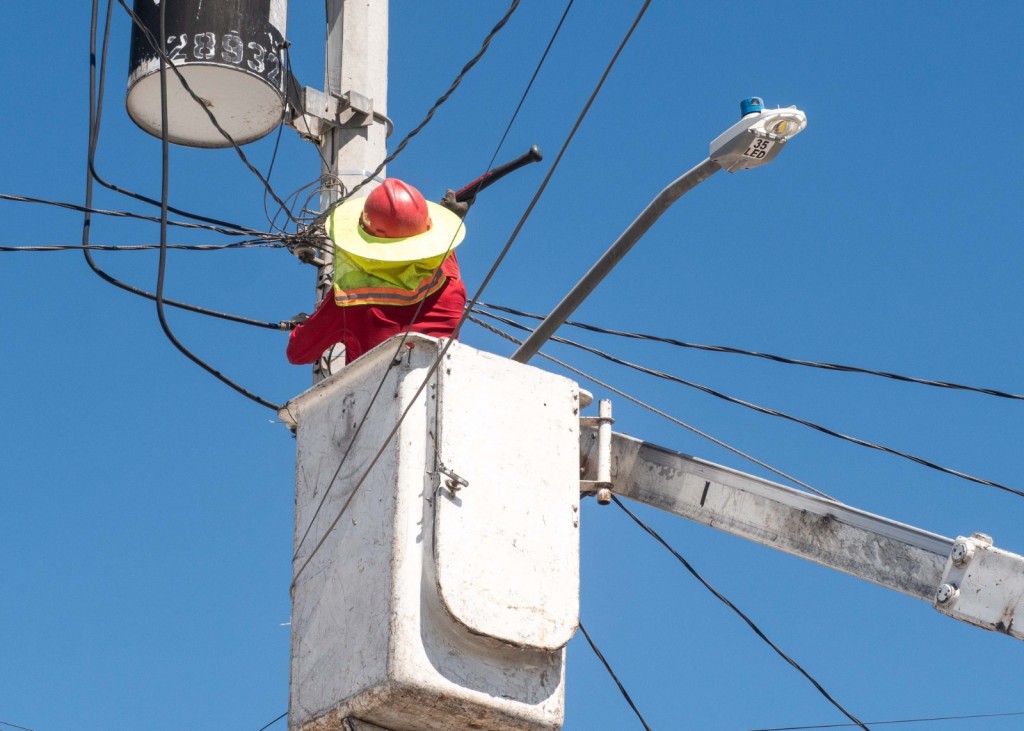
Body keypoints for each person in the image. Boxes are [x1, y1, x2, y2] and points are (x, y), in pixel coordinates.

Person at [286, 178, 469, 366]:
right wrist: (451, 216)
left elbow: (297, 353)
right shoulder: (451, 287)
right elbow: (440, 254)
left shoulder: (349, 301)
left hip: (372, 394)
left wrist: (304, 327)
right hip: (437, 388)